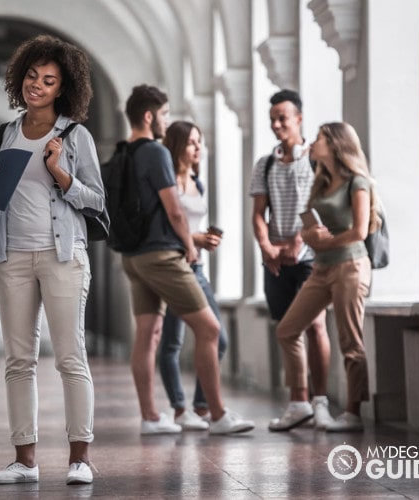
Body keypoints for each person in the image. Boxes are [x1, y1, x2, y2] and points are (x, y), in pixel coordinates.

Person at [0, 35, 104, 486]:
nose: (37, 85)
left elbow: (96, 200)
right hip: (12, 257)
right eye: (32, 76)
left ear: (61, 89)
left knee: (70, 357)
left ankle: (80, 458)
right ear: (20, 77)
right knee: (18, 359)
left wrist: (61, 174)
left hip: (63, 256)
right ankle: (25, 460)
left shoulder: (75, 135)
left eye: (48, 81)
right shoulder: (2, 134)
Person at [120, 85, 254, 436]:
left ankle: (151, 417)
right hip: (163, 254)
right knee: (210, 329)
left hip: (132, 256)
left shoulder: (123, 153)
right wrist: (189, 245)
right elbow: (174, 209)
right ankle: (218, 414)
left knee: (148, 335)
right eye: (163, 114)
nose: (166, 121)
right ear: (149, 116)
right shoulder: (155, 152)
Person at [276, 122, 376, 432]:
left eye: (318, 138)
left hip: (350, 266)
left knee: (350, 341)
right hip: (321, 269)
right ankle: (304, 403)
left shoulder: (357, 182)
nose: (313, 142)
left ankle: (352, 413)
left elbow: (360, 230)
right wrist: (309, 234)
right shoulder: (321, 183)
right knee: (287, 330)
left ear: (334, 144)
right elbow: (307, 226)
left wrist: (325, 241)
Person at [248, 89, 335, 431]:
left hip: (312, 257)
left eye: (283, 117)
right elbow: (258, 213)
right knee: (287, 329)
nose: (276, 124)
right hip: (276, 261)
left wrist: (299, 241)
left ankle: (321, 401)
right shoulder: (265, 164)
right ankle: (298, 402)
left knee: (315, 326)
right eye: (272, 118)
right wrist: (266, 247)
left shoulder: (315, 160)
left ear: (299, 118)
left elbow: (323, 207)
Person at [158, 121, 228, 431]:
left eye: (200, 142)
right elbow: (164, 226)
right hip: (175, 267)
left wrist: (204, 239)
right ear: (177, 147)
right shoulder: (167, 183)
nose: (198, 148)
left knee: (219, 340)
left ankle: (200, 406)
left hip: (197, 268)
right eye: (191, 143)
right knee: (172, 342)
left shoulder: (197, 183)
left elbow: (191, 223)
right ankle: (178, 408)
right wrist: (195, 240)